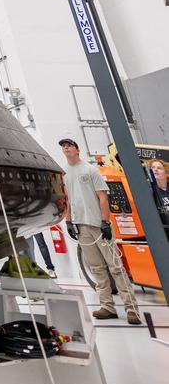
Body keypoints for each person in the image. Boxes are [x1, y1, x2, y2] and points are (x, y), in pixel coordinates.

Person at [59, 138, 141, 324]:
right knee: (97, 268)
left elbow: (103, 198)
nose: (66, 148)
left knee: (116, 268)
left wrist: (105, 222)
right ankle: (107, 307)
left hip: (98, 225)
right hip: (81, 227)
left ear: (77, 149)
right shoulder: (65, 174)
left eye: (69, 145)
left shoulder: (90, 170)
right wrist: (69, 221)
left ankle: (132, 310)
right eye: (63, 146)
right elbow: (69, 198)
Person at [150, 159, 169, 223]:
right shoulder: (148, 190)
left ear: (167, 173)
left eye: (159, 168)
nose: (155, 169)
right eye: (153, 167)